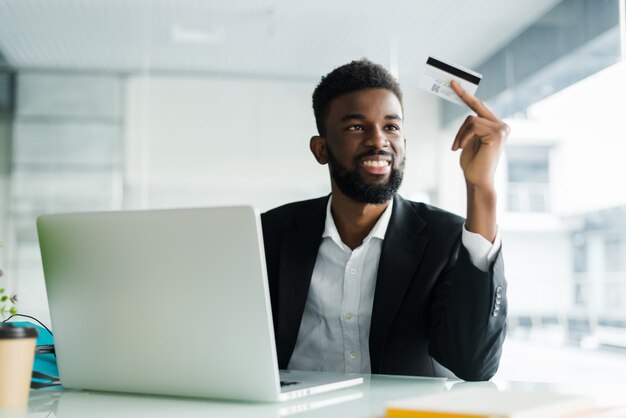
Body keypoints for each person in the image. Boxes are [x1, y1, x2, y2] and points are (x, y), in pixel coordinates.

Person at [261, 59, 508, 381]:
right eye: (356, 127)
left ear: (404, 145)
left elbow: (473, 364)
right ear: (321, 149)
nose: (378, 141)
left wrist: (481, 186)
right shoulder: (270, 233)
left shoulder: (446, 238)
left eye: (391, 126)